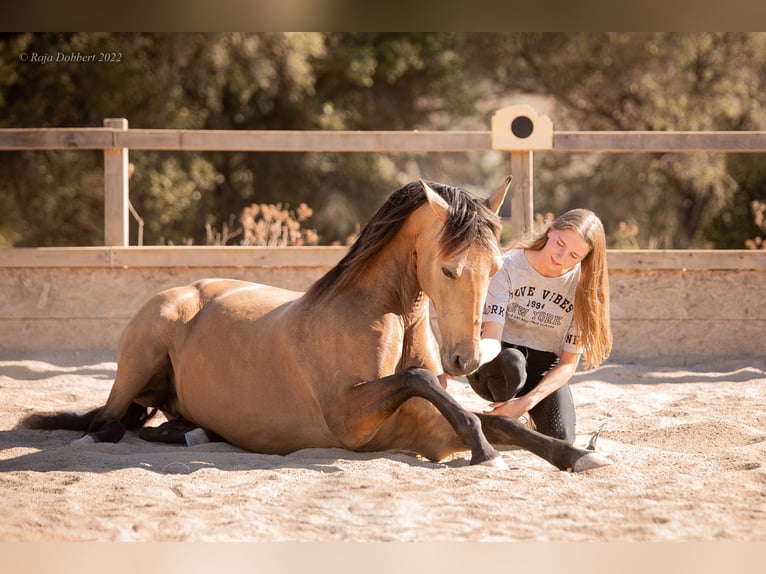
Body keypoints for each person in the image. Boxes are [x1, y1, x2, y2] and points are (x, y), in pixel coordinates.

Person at [467, 208, 612, 443]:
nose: (561, 257)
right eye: (560, 244)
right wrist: (457, 367)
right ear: (550, 231)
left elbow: (567, 364)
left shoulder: (584, 290)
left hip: (543, 366)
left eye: (574, 255)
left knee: (562, 440)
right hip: (497, 360)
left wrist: (527, 403)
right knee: (513, 363)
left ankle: (519, 417)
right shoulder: (507, 267)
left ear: (584, 258)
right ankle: (502, 417)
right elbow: (491, 337)